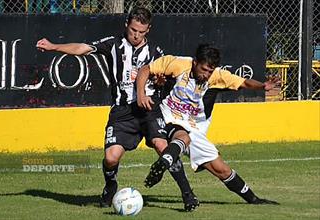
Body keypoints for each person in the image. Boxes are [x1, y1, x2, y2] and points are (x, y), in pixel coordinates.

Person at [36, 7, 199, 211]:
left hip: (149, 110)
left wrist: (160, 81)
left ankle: (188, 194)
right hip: (122, 112)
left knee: (162, 146)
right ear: (126, 25)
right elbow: (82, 48)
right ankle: (111, 185)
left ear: (148, 29)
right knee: (111, 158)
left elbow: (166, 79)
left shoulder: (156, 52)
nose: (136, 35)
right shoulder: (113, 44)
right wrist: (54, 46)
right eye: (133, 30)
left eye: (141, 31)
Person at [136, 43, 280, 205]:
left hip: (192, 128)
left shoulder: (217, 76)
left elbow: (244, 83)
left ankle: (254, 200)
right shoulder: (178, 63)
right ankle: (180, 185)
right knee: (169, 142)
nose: (206, 75)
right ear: (195, 62)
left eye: (210, 71)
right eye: (203, 70)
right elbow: (146, 69)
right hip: (166, 116)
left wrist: (262, 86)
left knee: (221, 169)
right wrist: (141, 94)